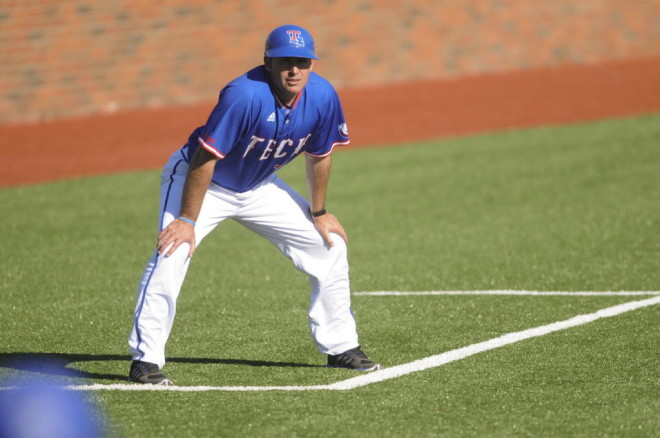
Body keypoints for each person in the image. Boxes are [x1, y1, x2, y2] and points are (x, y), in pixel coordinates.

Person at [128, 24, 381, 385]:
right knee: (173, 251)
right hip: (202, 182)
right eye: (284, 62)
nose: (294, 70)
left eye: (302, 61)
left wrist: (319, 212)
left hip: (258, 187)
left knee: (330, 244)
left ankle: (340, 347)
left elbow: (320, 155)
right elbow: (205, 157)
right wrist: (186, 219)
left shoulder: (323, 96)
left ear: (311, 64)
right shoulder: (243, 95)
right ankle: (146, 360)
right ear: (268, 62)